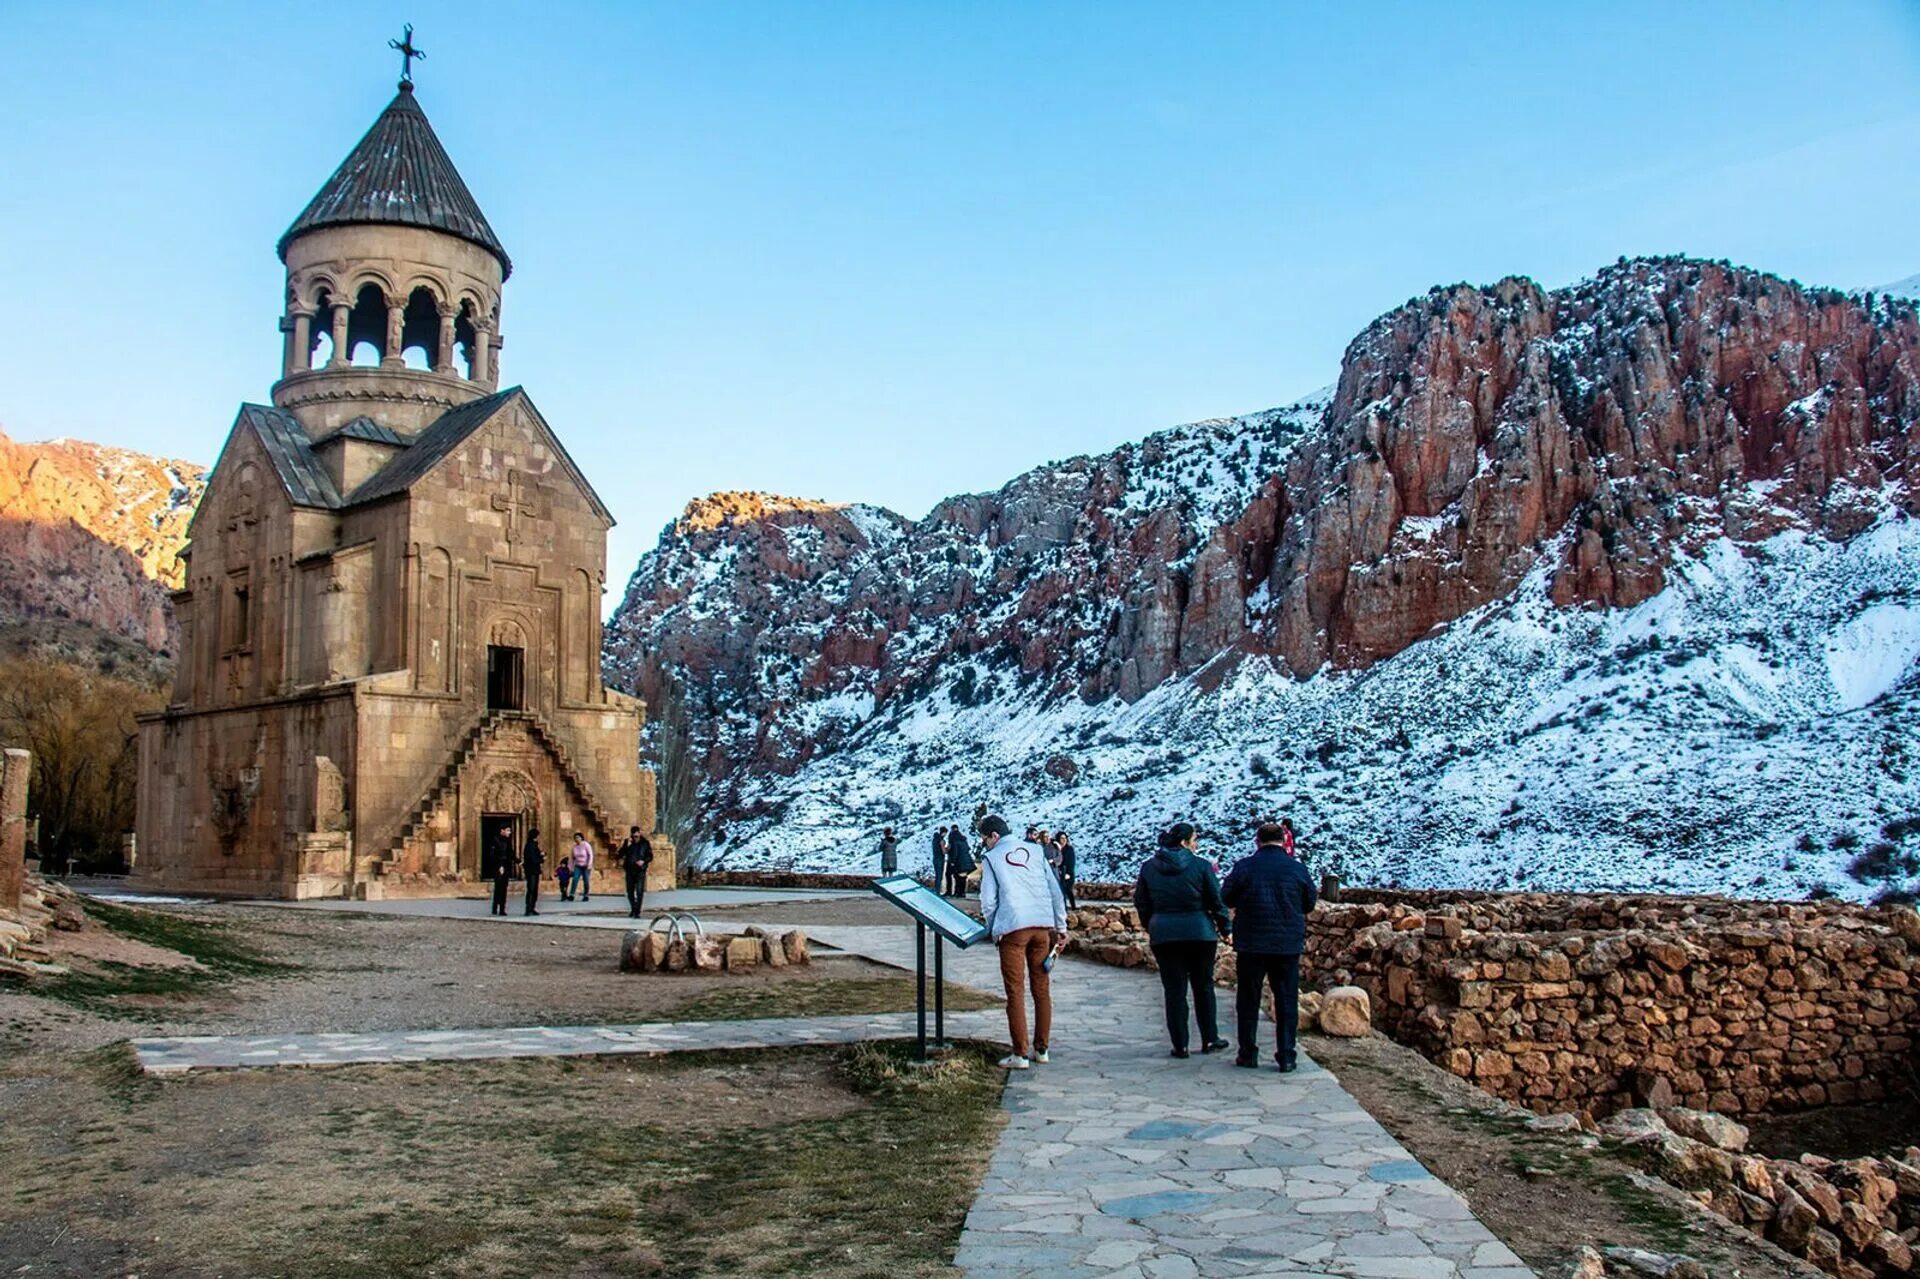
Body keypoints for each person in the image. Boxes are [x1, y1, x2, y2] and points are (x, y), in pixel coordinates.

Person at [1221, 821, 1319, 1071]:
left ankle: (1248, 1052)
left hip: (1251, 943)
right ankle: (1286, 1054)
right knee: (1286, 1000)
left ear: (1258, 840)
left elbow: (1227, 897)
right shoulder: (1297, 869)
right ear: (1283, 840)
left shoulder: (1244, 867)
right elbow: (1309, 903)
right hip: (1286, 945)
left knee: (1248, 999)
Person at [977, 815, 1067, 1070]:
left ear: (994, 836)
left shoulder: (993, 859)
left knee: (1015, 990)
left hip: (1013, 927)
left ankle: (1020, 1052)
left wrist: (994, 928)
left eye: (985, 839)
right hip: (1041, 924)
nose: (985, 844)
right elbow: (1054, 890)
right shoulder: (1036, 851)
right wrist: (1061, 926)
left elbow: (989, 901)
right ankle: (1042, 1048)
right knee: (1041, 988)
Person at [1134, 823, 1231, 1058]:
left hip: (1164, 934)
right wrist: (1225, 927)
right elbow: (1216, 900)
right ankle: (1209, 1038)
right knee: (1203, 987)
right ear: (1185, 842)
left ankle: (1180, 1044)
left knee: (1174, 990)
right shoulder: (1201, 866)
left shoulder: (1149, 868)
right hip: (1200, 932)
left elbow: (1142, 902)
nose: (1196, 844)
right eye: (1194, 839)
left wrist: (1152, 924)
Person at [619, 826, 654, 918]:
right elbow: (620, 854)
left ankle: (637, 911)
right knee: (630, 892)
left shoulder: (645, 843)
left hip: (640, 871)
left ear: (639, 834)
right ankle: (633, 908)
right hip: (630, 870)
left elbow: (650, 856)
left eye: (637, 836)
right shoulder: (627, 842)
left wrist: (643, 861)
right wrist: (627, 846)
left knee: (639, 891)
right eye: (633, 836)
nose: (635, 838)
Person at [486, 822, 515, 917]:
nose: (509, 832)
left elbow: (510, 854)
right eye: (507, 830)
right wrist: (499, 866)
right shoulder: (495, 841)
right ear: (502, 831)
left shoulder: (507, 841)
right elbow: (493, 855)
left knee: (504, 888)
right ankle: (496, 907)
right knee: (499, 887)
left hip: (506, 867)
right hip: (498, 867)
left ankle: (502, 908)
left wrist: (519, 862)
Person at [522, 826, 546, 917]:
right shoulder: (531, 845)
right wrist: (541, 859)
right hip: (531, 869)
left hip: (534, 869)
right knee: (531, 889)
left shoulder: (532, 845)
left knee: (534, 889)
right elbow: (532, 858)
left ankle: (532, 908)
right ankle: (529, 908)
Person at [946, 826, 974, 896]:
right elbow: (968, 849)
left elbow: (955, 852)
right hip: (965, 861)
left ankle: (954, 892)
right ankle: (962, 892)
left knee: (954, 876)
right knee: (963, 877)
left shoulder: (953, 839)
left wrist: (952, 861)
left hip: (957, 861)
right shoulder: (963, 839)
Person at [1054, 831, 1078, 908]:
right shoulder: (1056, 849)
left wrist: (1068, 873)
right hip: (1058, 873)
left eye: (1065, 838)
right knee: (1061, 891)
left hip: (1068, 873)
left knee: (1068, 890)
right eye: (1062, 838)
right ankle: (1063, 907)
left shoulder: (1069, 849)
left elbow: (1071, 862)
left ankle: (1073, 906)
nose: (1064, 840)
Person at [931, 826, 949, 893]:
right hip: (940, 859)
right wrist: (948, 848)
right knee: (940, 875)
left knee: (937, 875)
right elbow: (944, 851)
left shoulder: (935, 839)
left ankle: (936, 889)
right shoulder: (941, 840)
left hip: (935, 858)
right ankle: (938, 891)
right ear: (943, 832)